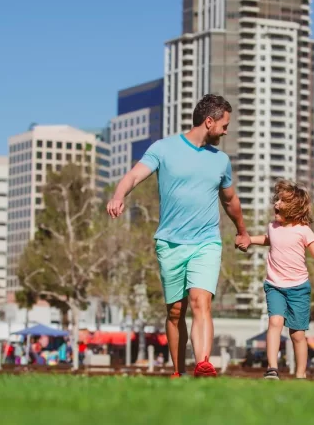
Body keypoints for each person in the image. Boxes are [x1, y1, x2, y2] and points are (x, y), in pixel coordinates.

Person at [107, 94, 250, 378]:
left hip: (206, 242)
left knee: (202, 302)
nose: (225, 131)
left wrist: (242, 230)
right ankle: (177, 369)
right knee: (175, 311)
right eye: (224, 125)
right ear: (208, 121)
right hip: (171, 243)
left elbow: (230, 200)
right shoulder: (164, 148)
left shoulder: (221, 161)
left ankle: (203, 363)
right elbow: (134, 175)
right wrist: (118, 195)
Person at [246, 180, 314, 380]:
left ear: (292, 208)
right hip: (274, 285)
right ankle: (272, 369)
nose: (276, 204)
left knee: (297, 335)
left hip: (298, 288)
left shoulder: (303, 230)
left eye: (281, 202)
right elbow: (268, 239)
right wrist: (249, 240)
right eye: (277, 200)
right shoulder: (273, 227)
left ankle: (300, 375)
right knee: (275, 322)